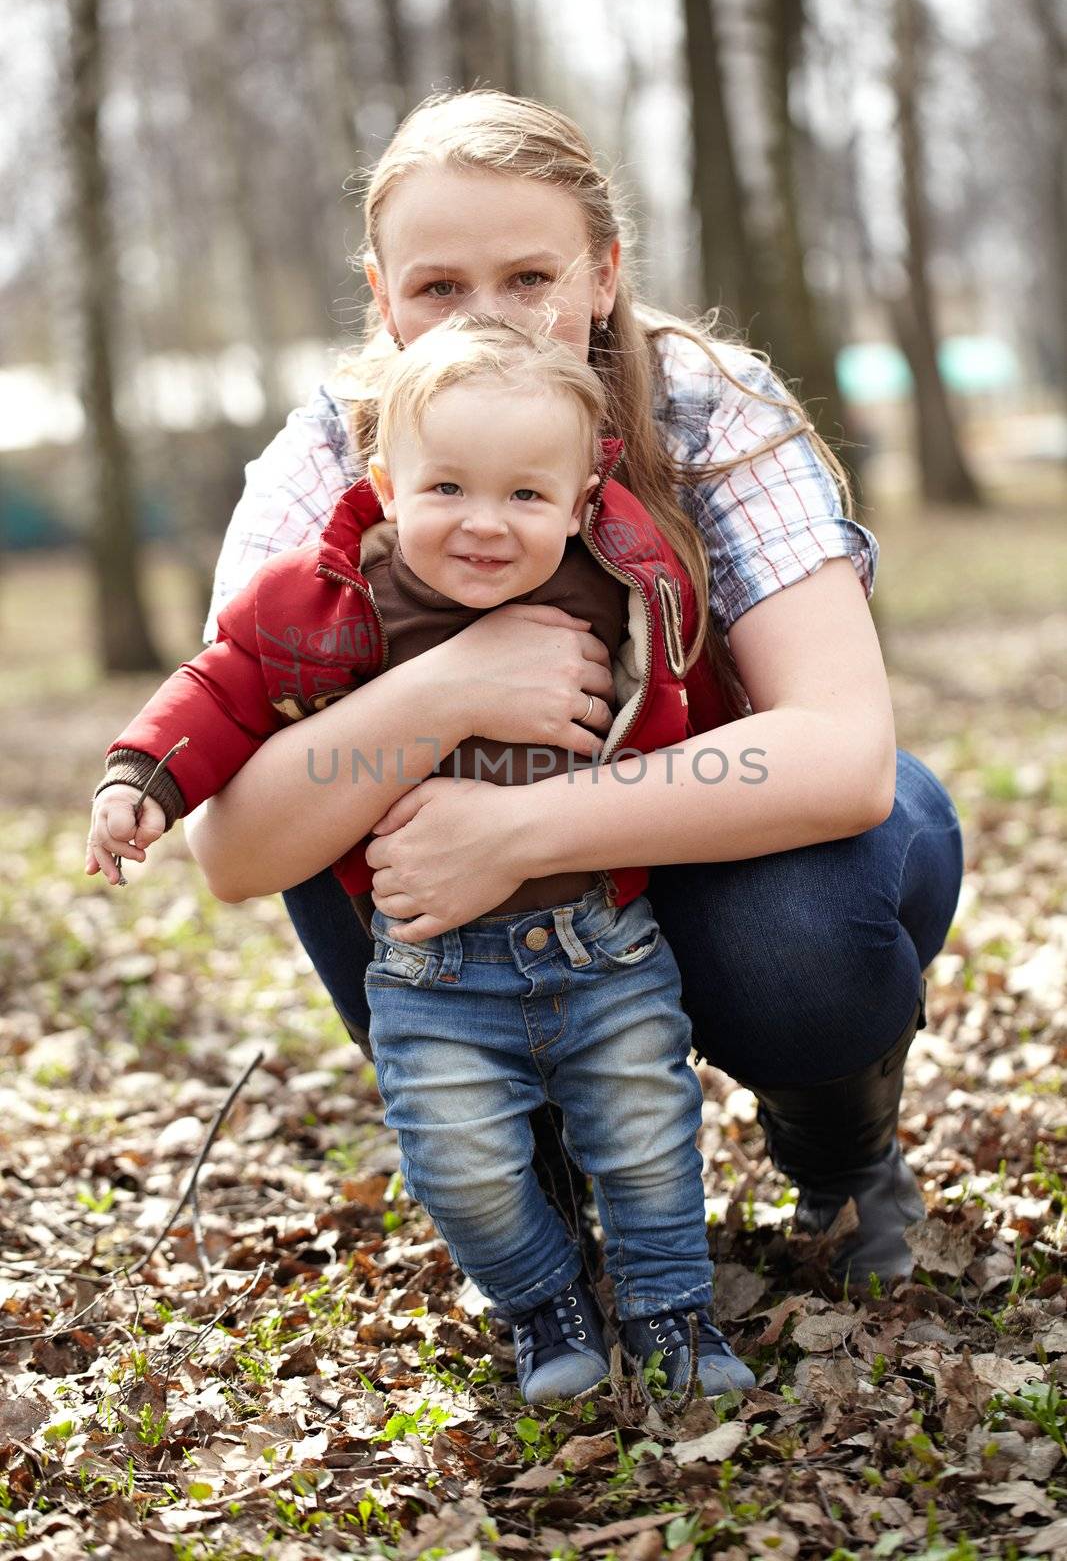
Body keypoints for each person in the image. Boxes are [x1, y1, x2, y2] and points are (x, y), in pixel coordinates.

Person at [86, 89, 963, 1310]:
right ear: (382, 296)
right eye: (439, 286)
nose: (488, 319)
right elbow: (238, 848)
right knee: (324, 782)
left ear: (601, 276)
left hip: (710, 834)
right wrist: (448, 688)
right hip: (469, 929)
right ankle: (529, 1172)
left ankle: (841, 1154)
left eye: (530, 278)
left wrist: (518, 830)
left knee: (808, 939)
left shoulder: (708, 410)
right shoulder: (327, 465)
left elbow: (839, 754)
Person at [87, 316, 757, 1404]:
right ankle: (544, 1302)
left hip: (604, 944)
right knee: (459, 1164)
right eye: (446, 489)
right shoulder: (332, 598)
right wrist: (140, 777)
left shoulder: (622, 579)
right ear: (388, 483)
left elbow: (701, 699)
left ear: (583, 502)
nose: (485, 525)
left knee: (644, 1138)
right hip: (431, 969)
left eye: (524, 497)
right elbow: (219, 687)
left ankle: (671, 1312)